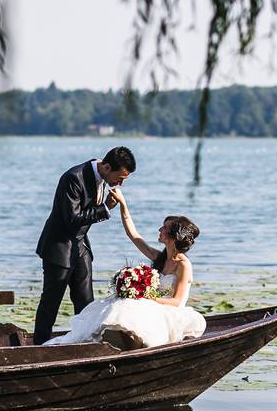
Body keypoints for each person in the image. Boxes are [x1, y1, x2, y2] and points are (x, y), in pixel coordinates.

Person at [44, 196, 206, 350]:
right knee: (117, 302)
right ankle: (101, 339)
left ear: (174, 236)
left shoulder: (183, 265)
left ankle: (125, 342)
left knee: (132, 305)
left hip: (171, 311)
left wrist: (147, 298)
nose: (159, 229)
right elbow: (133, 235)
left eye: (164, 228)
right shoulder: (159, 257)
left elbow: (177, 301)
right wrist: (123, 205)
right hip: (153, 303)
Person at [32, 146, 136, 345]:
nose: (120, 183)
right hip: (59, 247)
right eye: (120, 178)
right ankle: (38, 347)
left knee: (86, 303)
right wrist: (104, 208)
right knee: (50, 303)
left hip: (81, 247)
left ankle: (86, 345)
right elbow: (72, 218)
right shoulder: (73, 177)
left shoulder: (102, 173)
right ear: (106, 167)